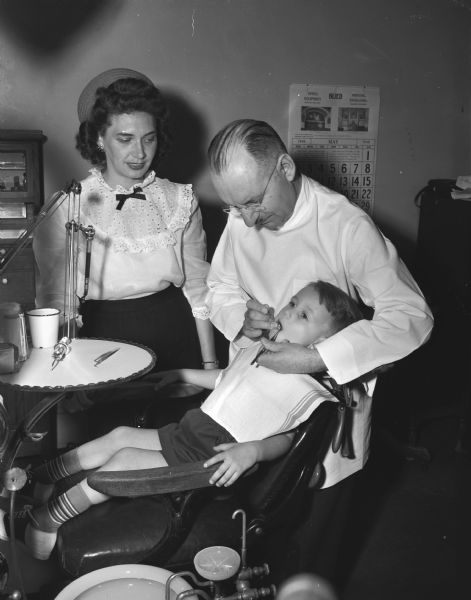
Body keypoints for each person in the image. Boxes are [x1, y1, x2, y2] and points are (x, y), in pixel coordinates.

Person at [205, 119, 434, 583]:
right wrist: (240, 319)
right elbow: (220, 289)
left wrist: (316, 359)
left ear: (285, 167)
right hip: (252, 406)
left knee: (312, 548)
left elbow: (411, 314)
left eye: (252, 202)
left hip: (325, 418)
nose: (246, 220)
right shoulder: (240, 217)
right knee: (244, 538)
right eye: (233, 206)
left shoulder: (345, 225)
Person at [24, 280, 362, 561]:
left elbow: (286, 438)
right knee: (121, 434)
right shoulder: (263, 352)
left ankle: (49, 518)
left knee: (124, 459)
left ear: (321, 345)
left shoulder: (303, 386)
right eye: (291, 302)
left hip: (208, 462)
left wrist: (253, 452)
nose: (287, 312)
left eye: (302, 314)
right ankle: (46, 475)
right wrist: (183, 373)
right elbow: (225, 380)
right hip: (189, 435)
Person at [33, 68, 217, 373]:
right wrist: (66, 373)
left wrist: (209, 365)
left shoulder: (180, 200)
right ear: (99, 139)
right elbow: (57, 301)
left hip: (174, 339)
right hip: (100, 342)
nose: (140, 153)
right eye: (125, 139)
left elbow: (199, 287)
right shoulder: (69, 205)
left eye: (149, 138)